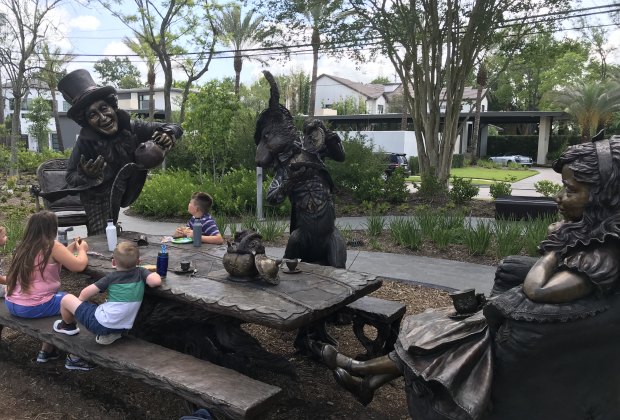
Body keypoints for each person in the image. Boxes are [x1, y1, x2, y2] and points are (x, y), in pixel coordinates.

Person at [318, 138, 620, 419]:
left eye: (571, 190)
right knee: (435, 336)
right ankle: (367, 382)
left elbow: (537, 289)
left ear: (603, 197)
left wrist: (553, 250)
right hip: (501, 316)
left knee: (437, 342)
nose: (559, 196)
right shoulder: (589, 238)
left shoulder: (600, 256)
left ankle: (361, 369)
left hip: (508, 324)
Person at [54, 69, 183, 235]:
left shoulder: (132, 127)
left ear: (113, 107)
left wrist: (169, 133)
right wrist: (86, 175)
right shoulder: (85, 142)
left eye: (104, 108)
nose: (103, 118)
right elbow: (70, 176)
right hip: (97, 195)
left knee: (113, 232)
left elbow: (173, 126)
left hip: (125, 188)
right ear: (87, 121)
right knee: (101, 236)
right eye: (93, 114)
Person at [3, 211, 92, 369]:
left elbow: (53, 258)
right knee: (73, 304)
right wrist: (83, 249)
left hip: (13, 304)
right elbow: (78, 266)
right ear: (52, 228)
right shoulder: (52, 246)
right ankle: (75, 357)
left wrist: (70, 248)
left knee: (58, 301)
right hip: (32, 306)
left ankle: (46, 351)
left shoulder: (24, 247)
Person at [53, 241, 161, 346]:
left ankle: (68, 326)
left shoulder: (111, 278)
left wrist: (80, 303)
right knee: (104, 309)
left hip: (100, 324)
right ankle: (110, 335)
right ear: (138, 262)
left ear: (113, 262)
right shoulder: (141, 272)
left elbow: (85, 293)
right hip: (124, 325)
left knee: (66, 299)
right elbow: (155, 281)